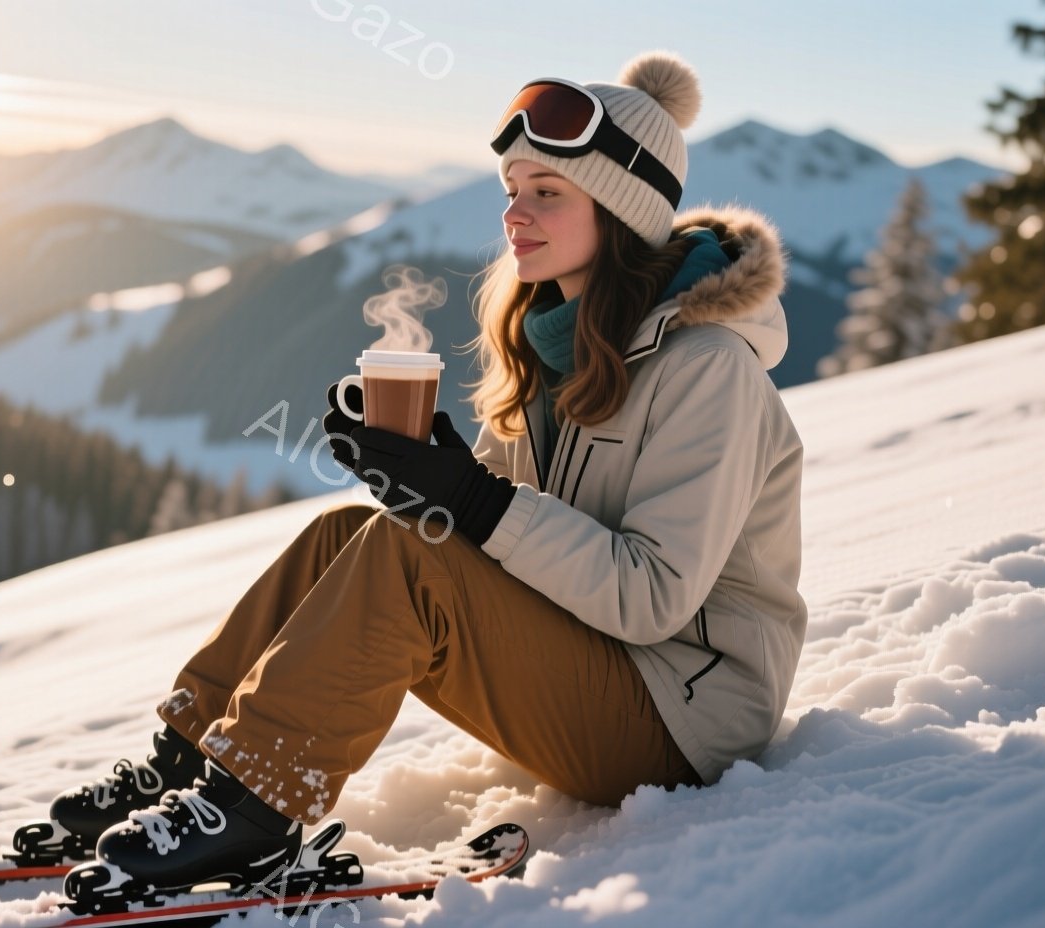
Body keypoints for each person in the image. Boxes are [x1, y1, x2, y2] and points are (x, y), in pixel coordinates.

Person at [51, 48, 808, 896]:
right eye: (513, 191)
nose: (516, 214)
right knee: (351, 533)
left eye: (547, 194)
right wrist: (425, 478)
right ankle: (184, 763)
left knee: (414, 556)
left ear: (622, 214)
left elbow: (651, 597)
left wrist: (469, 500)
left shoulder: (708, 369)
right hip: (590, 666)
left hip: (686, 721)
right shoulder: (550, 346)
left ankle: (255, 808)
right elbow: (491, 534)